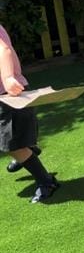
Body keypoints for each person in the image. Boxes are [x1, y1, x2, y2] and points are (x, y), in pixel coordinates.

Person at [0, 25, 58, 203]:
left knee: (13, 145)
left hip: (7, 95)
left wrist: (8, 77)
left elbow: (3, 49)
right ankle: (28, 150)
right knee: (14, 141)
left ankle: (46, 181)